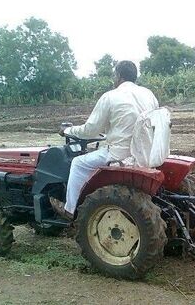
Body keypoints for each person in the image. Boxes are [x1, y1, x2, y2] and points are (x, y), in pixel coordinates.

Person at [50, 60, 159, 219]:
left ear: (119, 76)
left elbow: (90, 130)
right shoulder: (149, 95)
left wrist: (67, 130)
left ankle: (69, 209)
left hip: (118, 154)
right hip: (145, 154)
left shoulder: (110, 97)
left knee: (78, 163)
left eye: (115, 75)